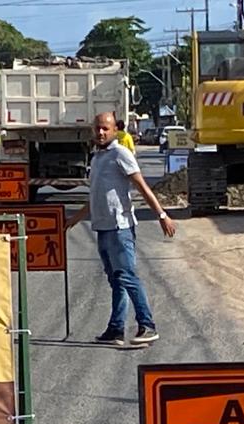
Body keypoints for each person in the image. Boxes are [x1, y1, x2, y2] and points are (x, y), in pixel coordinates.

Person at [66, 112, 176, 347]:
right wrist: (74, 219)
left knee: (127, 276)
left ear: (115, 130)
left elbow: (142, 187)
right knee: (116, 280)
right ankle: (116, 329)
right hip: (103, 227)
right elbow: (96, 195)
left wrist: (162, 215)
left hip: (120, 227)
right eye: (97, 128)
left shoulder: (120, 154)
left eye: (105, 128)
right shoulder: (97, 158)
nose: (101, 132)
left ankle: (147, 325)